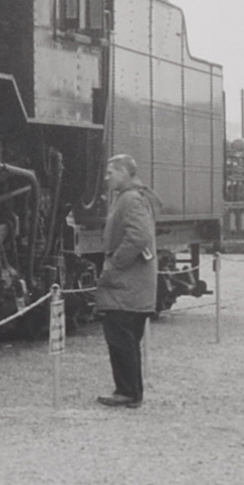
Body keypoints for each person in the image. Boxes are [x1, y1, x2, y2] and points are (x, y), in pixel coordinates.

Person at [93, 153, 159, 408]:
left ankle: (128, 392)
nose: (107, 177)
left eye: (111, 172)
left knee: (121, 336)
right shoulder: (131, 197)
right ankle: (128, 390)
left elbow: (138, 237)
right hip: (131, 284)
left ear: (124, 172)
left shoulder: (130, 200)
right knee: (125, 337)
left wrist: (115, 264)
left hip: (127, 284)